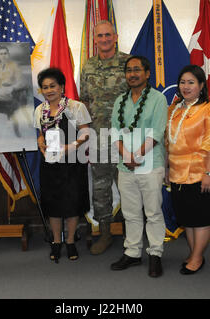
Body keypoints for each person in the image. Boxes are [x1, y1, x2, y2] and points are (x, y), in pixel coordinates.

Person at [165, 65, 210, 275]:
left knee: (201, 219)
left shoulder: (209, 109)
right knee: (187, 219)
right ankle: (193, 253)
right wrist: (167, 167)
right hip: (177, 174)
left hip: (201, 173)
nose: (186, 86)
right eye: (183, 82)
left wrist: (209, 173)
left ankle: (197, 257)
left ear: (201, 86)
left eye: (191, 82)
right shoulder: (173, 110)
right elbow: (168, 142)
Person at [110, 56, 167, 278]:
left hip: (150, 164)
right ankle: (133, 252)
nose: (132, 74)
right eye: (128, 70)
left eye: (137, 70)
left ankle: (155, 253)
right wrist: (127, 156)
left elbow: (157, 132)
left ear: (147, 73)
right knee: (131, 212)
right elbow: (115, 131)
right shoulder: (119, 101)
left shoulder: (158, 99)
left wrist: (137, 155)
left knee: (153, 212)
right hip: (126, 167)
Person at [79, 20, 130, 255]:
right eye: (100, 36)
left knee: (129, 185)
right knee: (100, 187)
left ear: (116, 36)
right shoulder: (88, 66)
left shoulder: (129, 63)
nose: (105, 39)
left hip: (127, 135)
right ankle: (106, 233)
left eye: (108, 35)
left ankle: (133, 233)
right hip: (100, 136)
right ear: (95, 38)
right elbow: (85, 100)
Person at [34, 68, 91, 263]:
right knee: (53, 203)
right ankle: (56, 241)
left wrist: (70, 146)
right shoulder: (39, 110)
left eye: (53, 86)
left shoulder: (76, 107)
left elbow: (86, 133)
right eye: (45, 87)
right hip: (50, 164)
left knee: (73, 202)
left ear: (62, 87)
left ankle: (70, 240)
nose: (49, 90)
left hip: (73, 162)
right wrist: (40, 141)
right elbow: (41, 133)